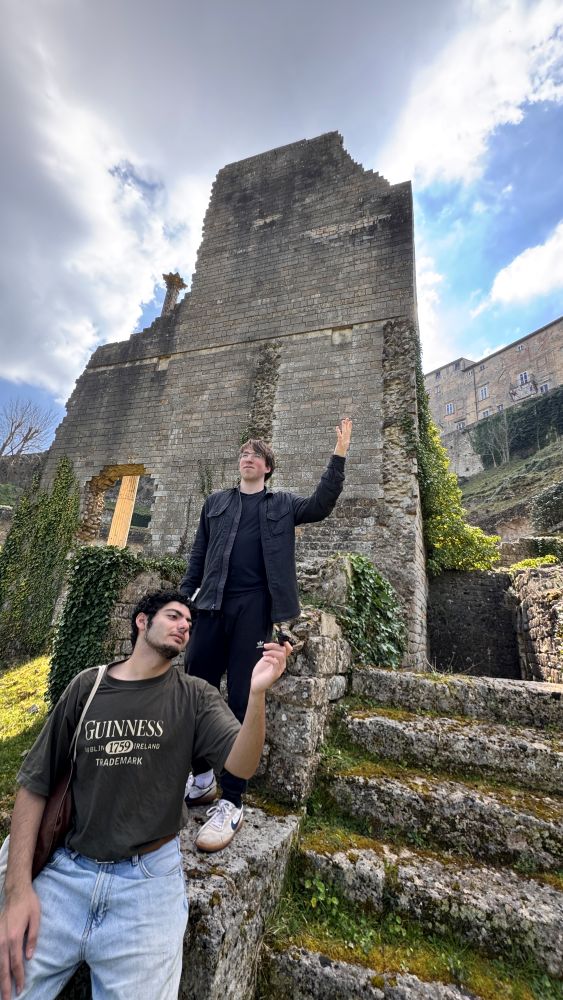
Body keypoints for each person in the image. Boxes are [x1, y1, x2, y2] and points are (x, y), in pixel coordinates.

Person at [0, 590, 288, 1000]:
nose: (185, 626)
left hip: (147, 887)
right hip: (68, 873)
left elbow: (241, 766)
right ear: (142, 621)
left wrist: (257, 695)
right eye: (174, 616)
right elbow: (34, 784)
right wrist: (17, 893)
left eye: (189, 623)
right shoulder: (88, 686)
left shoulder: (195, 695)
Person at [180, 418, 352, 851]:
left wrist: (339, 455)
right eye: (244, 453)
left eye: (256, 455)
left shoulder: (283, 504)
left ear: (268, 467)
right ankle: (201, 779)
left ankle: (233, 800)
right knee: (195, 692)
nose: (248, 458)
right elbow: (198, 555)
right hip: (210, 606)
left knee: (242, 699)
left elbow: (322, 504)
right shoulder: (215, 502)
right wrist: (183, 600)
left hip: (255, 611)